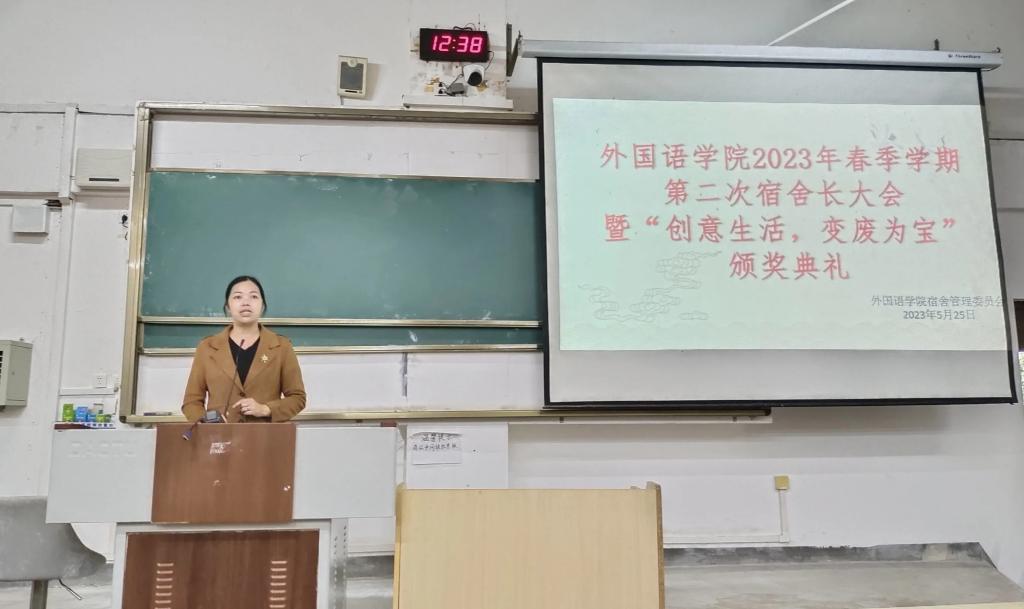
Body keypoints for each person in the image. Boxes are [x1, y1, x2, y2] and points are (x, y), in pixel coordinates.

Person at [182, 275, 306, 423]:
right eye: (238, 297)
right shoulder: (207, 347)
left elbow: (297, 398)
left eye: (253, 296)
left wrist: (266, 409)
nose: (246, 302)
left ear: (262, 306)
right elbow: (191, 402)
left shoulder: (281, 346)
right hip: (219, 435)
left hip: (265, 434)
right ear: (228, 307)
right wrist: (206, 421)